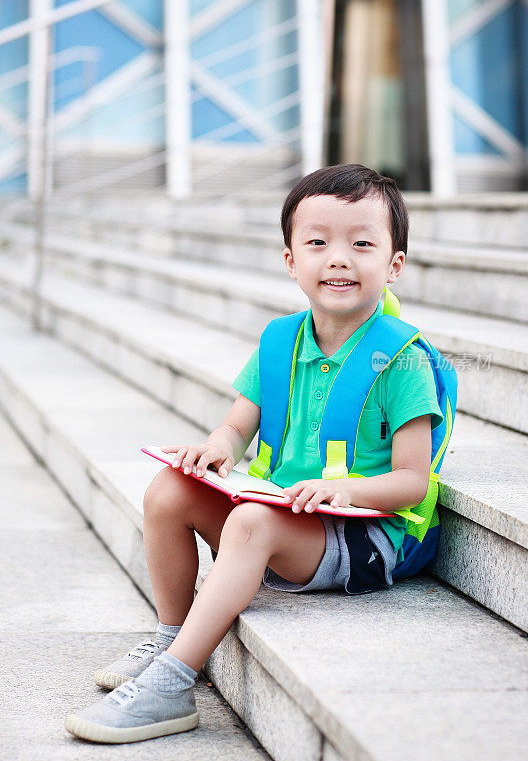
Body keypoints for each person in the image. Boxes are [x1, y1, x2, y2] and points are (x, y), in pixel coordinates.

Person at [64, 163, 443, 744]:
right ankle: (171, 632)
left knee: (249, 522)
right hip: (285, 516)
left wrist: (346, 489)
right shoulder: (280, 342)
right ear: (291, 260)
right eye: (317, 243)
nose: (338, 258)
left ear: (394, 265)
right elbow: (236, 427)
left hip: (361, 535)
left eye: (361, 244)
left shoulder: (404, 360)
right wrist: (212, 452)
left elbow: (413, 481)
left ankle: (173, 683)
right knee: (168, 491)